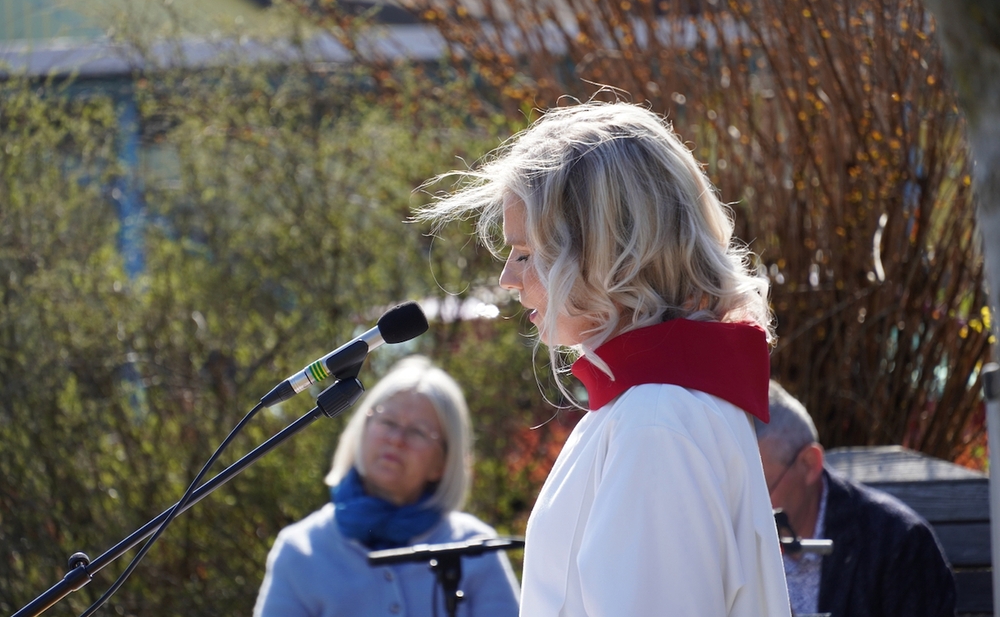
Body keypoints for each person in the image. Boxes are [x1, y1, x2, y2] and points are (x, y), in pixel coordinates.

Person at [418, 101, 791, 616]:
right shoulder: (657, 405)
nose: (507, 279)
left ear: (607, 254)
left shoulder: (656, 420)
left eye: (525, 254)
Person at [253, 355, 521, 617]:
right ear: (362, 429)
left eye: (418, 432)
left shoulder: (476, 548)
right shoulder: (302, 549)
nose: (396, 439)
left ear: (443, 462)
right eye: (388, 422)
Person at [755, 380, 957, 617]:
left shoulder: (897, 543)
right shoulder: (734, 539)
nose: (750, 509)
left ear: (809, 464)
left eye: (761, 491)